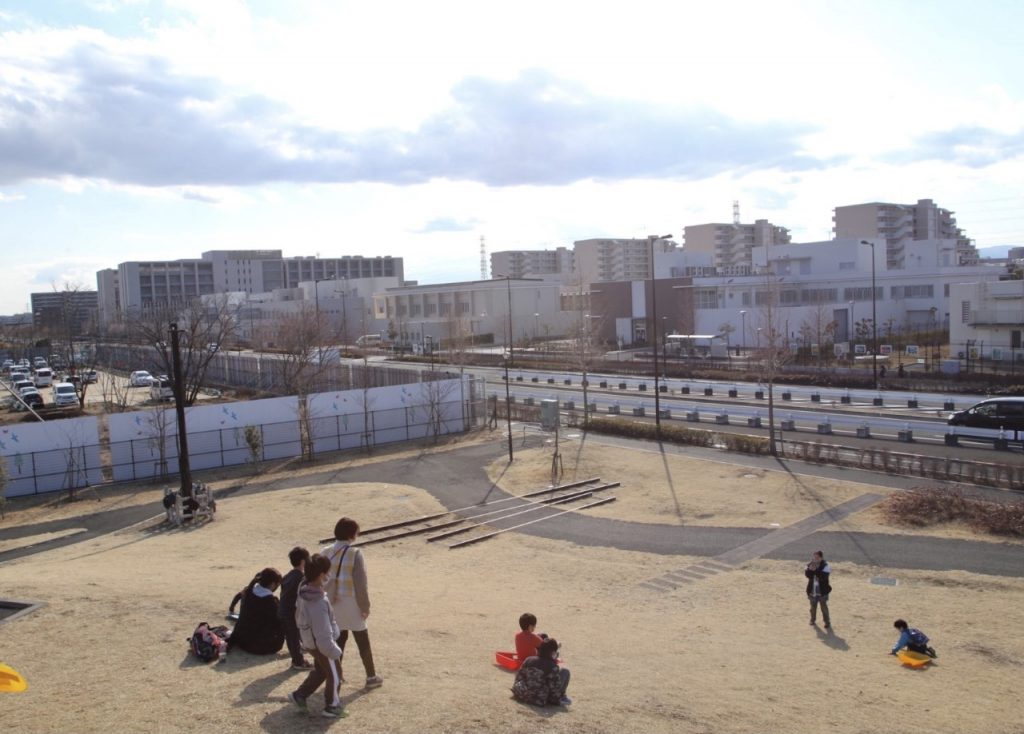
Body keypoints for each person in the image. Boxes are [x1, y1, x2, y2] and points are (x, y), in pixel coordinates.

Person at [322, 517, 383, 689]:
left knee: (338, 640)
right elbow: (360, 583)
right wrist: (365, 607)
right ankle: (371, 677)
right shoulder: (355, 553)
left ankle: (336, 676)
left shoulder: (325, 551)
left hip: (331, 602)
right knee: (362, 640)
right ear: (352, 534)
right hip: (351, 601)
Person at [287, 554, 347, 719]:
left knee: (321, 671)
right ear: (321, 574)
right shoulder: (317, 602)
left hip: (310, 642)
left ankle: (300, 695)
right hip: (321, 645)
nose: (329, 575)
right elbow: (323, 635)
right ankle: (332, 706)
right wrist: (335, 652)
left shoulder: (305, 588)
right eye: (327, 572)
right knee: (335, 674)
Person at [228, 567, 285, 655]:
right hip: (258, 646)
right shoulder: (271, 601)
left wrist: (231, 609)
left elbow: (237, 597)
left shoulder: (248, 591)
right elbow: (280, 622)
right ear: (273, 584)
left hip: (240, 639)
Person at [511, 637, 571, 707]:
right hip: (539, 698)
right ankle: (562, 697)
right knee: (565, 671)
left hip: (522, 693)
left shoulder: (528, 660)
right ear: (553, 653)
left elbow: (518, 678)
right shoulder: (552, 667)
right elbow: (554, 689)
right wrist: (557, 699)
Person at [280, 546, 313, 670]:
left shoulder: (288, 575)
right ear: (303, 561)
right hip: (291, 613)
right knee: (293, 637)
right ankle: (298, 661)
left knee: (291, 637)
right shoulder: (301, 578)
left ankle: (298, 658)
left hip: (283, 611)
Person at [805, 550, 832, 629]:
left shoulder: (826, 566)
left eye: (817, 557)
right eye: (814, 557)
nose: (815, 559)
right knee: (812, 607)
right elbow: (807, 575)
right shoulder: (810, 564)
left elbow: (823, 577)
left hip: (822, 591)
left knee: (824, 608)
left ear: (821, 558)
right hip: (812, 590)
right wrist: (810, 570)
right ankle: (812, 620)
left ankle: (827, 622)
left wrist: (815, 570)